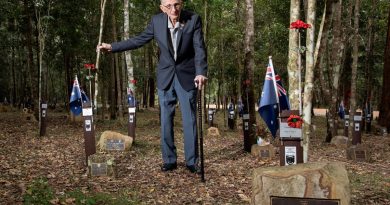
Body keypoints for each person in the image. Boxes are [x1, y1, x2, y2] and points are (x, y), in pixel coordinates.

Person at [97, 0, 207, 174]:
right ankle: (169, 160)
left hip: (187, 76)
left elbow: (199, 48)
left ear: (182, 3)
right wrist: (112, 47)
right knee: (165, 120)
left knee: (190, 120)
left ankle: (192, 161)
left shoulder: (193, 19)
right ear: (162, 7)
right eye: (169, 6)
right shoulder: (156, 21)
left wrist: (200, 72)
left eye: (177, 4)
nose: (174, 9)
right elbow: (138, 40)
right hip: (166, 77)